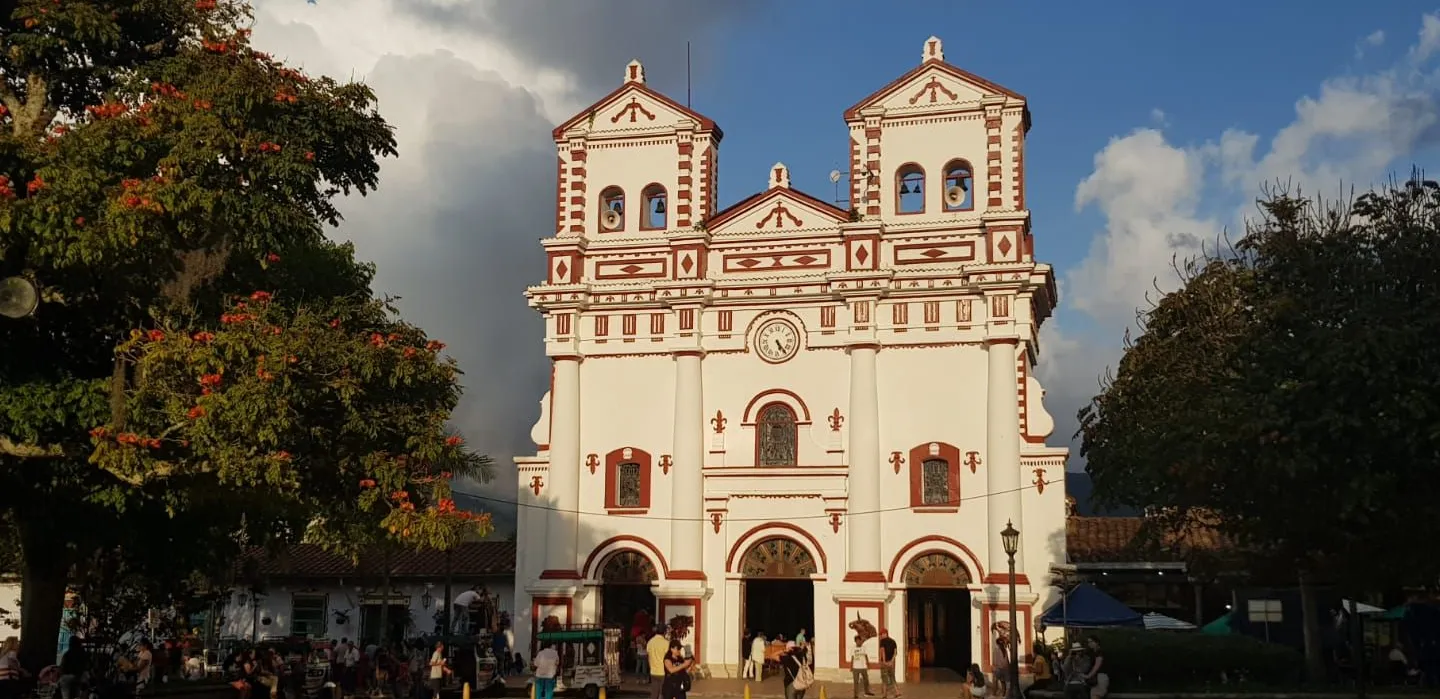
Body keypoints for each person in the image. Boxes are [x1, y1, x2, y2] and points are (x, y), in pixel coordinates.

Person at [647, 627, 669, 699]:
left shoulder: (650, 642)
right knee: (663, 694)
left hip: (653, 671)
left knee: (654, 694)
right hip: (663, 672)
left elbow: (648, 656)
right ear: (664, 632)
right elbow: (668, 658)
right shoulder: (666, 643)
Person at [876, 629, 899, 699]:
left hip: (884, 663)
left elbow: (882, 651)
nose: (880, 636)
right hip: (891, 663)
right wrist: (891, 661)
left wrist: (883, 661)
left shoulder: (882, 641)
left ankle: (884, 695)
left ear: (885, 634)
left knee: (884, 679)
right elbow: (895, 653)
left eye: (881, 634)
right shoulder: (893, 641)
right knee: (892, 678)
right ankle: (897, 693)